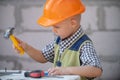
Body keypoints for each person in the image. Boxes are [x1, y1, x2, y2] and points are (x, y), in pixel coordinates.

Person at [14, 0, 102, 80]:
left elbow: (96, 70)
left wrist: (66, 70)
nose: (53, 30)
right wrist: (26, 47)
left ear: (73, 23)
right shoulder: (59, 41)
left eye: (57, 26)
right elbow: (42, 57)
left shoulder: (84, 45)